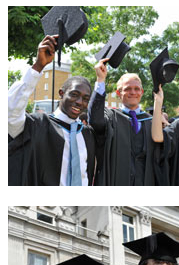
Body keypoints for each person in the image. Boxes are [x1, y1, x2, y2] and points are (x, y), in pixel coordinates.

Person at [9, 35, 101, 186]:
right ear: (61, 93)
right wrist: (38, 66)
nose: (79, 102)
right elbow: (10, 114)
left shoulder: (87, 134)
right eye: (74, 94)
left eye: (85, 98)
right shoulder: (38, 125)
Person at [89, 59, 164, 185]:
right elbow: (95, 120)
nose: (133, 92)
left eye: (136, 89)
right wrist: (100, 80)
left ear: (142, 92)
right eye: (128, 89)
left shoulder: (152, 122)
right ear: (119, 93)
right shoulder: (111, 117)